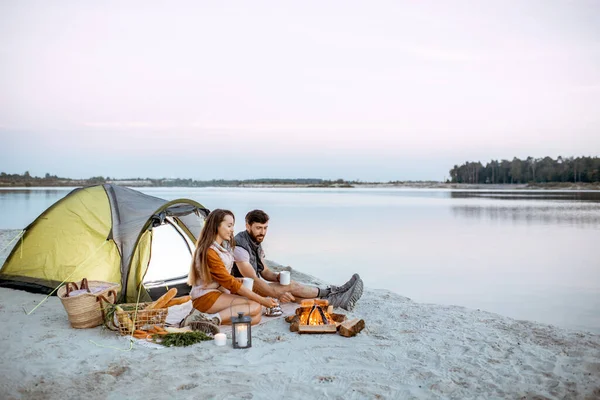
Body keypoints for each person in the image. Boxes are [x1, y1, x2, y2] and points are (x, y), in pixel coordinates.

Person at [231, 209, 363, 311]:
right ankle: (332, 292)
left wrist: (277, 277)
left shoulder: (255, 242)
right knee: (291, 286)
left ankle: (333, 300)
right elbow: (254, 279)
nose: (263, 232)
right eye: (258, 228)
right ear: (248, 226)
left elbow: (264, 272)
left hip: (252, 286)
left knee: (289, 290)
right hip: (241, 290)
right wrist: (277, 294)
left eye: (265, 228)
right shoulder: (240, 247)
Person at [184, 209, 278, 327]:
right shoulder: (209, 251)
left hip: (217, 293)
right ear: (217, 226)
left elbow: (223, 278)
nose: (232, 230)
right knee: (255, 305)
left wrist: (240, 280)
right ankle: (211, 319)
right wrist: (262, 299)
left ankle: (205, 319)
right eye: (229, 226)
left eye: (232, 226)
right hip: (205, 297)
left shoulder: (220, 246)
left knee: (256, 317)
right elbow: (228, 281)